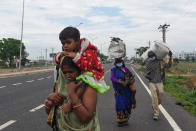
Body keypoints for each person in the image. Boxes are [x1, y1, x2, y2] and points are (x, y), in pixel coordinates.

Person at [45, 56, 100, 130]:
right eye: (64, 72)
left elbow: (86, 118)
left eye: (71, 72)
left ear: (79, 69)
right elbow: (57, 112)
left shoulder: (89, 86)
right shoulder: (61, 82)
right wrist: (50, 102)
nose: (67, 75)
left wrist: (72, 94)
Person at [54, 26, 109, 94]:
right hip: (80, 71)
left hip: (93, 72)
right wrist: (60, 56)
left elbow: (86, 67)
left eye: (68, 42)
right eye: (63, 43)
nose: (65, 46)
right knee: (59, 70)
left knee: (83, 79)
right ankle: (58, 92)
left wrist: (76, 57)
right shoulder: (70, 49)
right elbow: (57, 59)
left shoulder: (89, 51)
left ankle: (74, 98)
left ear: (77, 41)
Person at [145, 50, 172, 120]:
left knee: (161, 94)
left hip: (160, 82)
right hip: (152, 82)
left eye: (152, 56)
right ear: (149, 57)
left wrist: (170, 56)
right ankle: (156, 113)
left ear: (155, 56)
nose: (151, 58)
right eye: (150, 57)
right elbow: (146, 73)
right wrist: (147, 76)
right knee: (154, 97)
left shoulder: (161, 62)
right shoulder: (148, 64)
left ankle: (155, 105)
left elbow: (168, 66)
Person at [110, 58, 136, 126]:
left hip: (127, 91)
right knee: (120, 104)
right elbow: (112, 78)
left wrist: (132, 80)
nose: (119, 63)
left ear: (122, 62)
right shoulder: (114, 70)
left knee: (128, 104)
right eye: (117, 62)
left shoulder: (126, 69)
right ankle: (120, 121)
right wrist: (120, 81)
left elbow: (131, 76)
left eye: (120, 62)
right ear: (115, 63)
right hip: (119, 90)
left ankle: (126, 119)